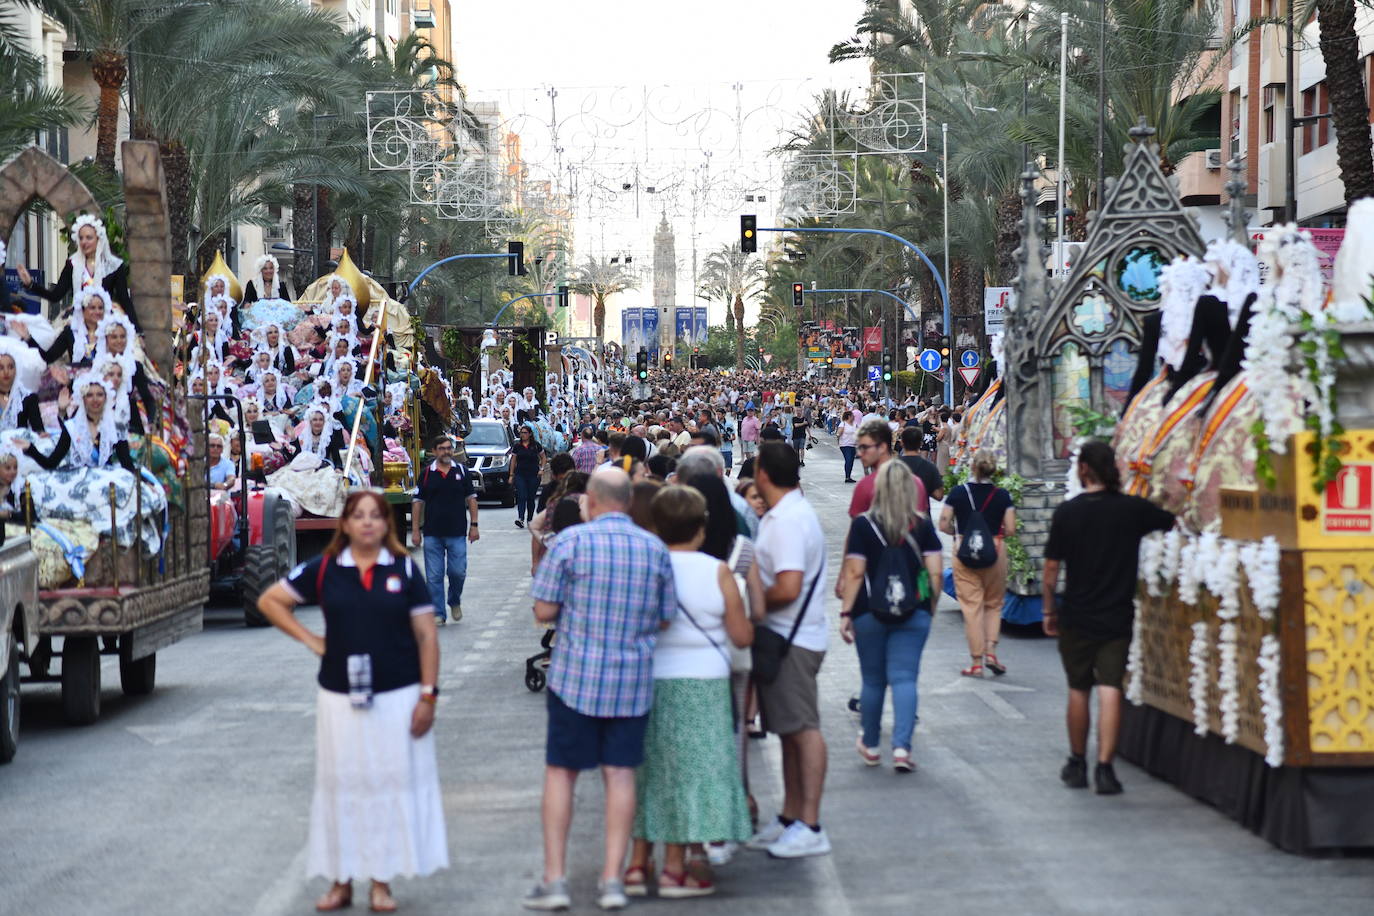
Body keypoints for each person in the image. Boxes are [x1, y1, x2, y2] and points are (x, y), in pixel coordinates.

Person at [256, 490, 447, 914]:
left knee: (386, 784)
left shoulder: (402, 569)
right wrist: (312, 641)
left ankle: (380, 882)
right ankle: (340, 882)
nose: (366, 523)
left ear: (386, 524)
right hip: (339, 697)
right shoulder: (325, 569)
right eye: (357, 516)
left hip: (397, 694)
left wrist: (428, 695)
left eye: (375, 516)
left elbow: (427, 636)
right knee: (340, 784)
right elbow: (271, 601)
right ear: (344, 524)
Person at [524, 468, 677, 911]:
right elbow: (665, 616)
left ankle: (555, 878)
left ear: (590, 499)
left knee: (561, 774)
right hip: (631, 680)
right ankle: (612, 877)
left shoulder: (570, 543)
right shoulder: (653, 548)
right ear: (627, 501)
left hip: (576, 678)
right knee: (620, 775)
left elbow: (544, 608)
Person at [623, 485, 753, 898]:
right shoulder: (716, 571)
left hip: (651, 683)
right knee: (699, 774)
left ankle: (642, 863)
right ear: (701, 528)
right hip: (705, 687)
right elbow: (741, 635)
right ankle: (677, 869)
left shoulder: (643, 567)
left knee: (655, 772)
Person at [1043, 441, 1175, 795]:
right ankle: (1105, 768)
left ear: (1083, 468)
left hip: (1076, 614)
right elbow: (1170, 518)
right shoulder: (1130, 510)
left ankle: (1076, 762)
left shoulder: (1067, 513)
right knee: (1111, 689)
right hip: (1117, 614)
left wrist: (1048, 610)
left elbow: (1052, 568)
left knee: (1078, 689)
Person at [747, 442, 831, 859]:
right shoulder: (787, 515)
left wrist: (749, 600)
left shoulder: (787, 521)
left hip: (791, 639)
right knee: (789, 732)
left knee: (802, 730)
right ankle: (791, 816)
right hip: (789, 637)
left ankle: (810, 824)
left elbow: (789, 585)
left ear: (763, 474)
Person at [837, 461, 943, 771]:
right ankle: (901, 748)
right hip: (914, 610)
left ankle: (870, 744)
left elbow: (855, 572)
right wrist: (929, 607)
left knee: (872, 680)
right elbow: (935, 572)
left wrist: (846, 612)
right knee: (905, 678)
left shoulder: (863, 525)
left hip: (869, 610)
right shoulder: (922, 525)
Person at [939, 449, 1016, 677]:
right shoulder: (1002, 495)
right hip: (995, 549)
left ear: (972, 467)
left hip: (963, 551)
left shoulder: (958, 493)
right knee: (993, 604)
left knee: (972, 607)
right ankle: (991, 650)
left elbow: (943, 524)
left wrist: (959, 534)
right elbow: (1010, 529)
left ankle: (975, 661)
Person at [18, 214, 141, 331]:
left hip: (106, 319)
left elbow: (124, 299)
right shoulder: (72, 264)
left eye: (89, 237)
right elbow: (55, 296)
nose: (84, 242)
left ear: (99, 239)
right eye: (81, 238)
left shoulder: (113, 265)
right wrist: (30, 284)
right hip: (78, 319)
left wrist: (138, 330)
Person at [412, 435, 479, 626]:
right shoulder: (426, 474)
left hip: (457, 532)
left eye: (449, 448)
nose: (446, 451)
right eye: (442, 448)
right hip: (432, 533)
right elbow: (417, 503)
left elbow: (472, 499)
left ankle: (454, 600)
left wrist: (474, 525)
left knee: (458, 572)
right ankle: (438, 612)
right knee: (434, 576)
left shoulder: (462, 472)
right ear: (434, 452)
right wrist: (415, 530)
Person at [848, 419, 929, 520]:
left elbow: (856, 530)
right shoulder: (915, 483)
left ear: (882, 447)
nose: (859, 453)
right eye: (859, 447)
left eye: (864, 447)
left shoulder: (865, 486)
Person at [510, 424, 546, 528]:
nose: (523, 435)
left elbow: (543, 457)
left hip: (533, 475)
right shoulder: (517, 446)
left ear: (530, 434)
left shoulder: (536, 445)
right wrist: (511, 475)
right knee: (522, 496)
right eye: (521, 433)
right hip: (520, 474)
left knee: (530, 497)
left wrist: (542, 469)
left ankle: (530, 519)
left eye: (525, 433)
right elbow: (513, 460)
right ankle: (520, 518)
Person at [898, 426, 945, 502]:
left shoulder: (892, 466)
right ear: (921, 444)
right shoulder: (930, 467)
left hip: (898, 511)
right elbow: (939, 495)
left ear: (902, 443)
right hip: (922, 511)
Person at [837, 410, 860, 483]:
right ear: (849, 416)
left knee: (851, 460)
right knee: (848, 459)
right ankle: (847, 477)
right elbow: (838, 433)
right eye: (853, 416)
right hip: (845, 444)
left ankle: (849, 476)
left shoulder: (855, 424)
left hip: (853, 444)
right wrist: (838, 439)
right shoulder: (843, 424)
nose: (854, 417)